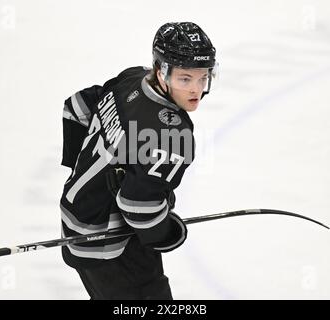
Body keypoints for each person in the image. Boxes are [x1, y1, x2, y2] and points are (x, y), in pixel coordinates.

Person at [60, 22, 218, 300]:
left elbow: (77, 106)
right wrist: (168, 233)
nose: (196, 89)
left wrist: (83, 170)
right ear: (162, 71)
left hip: (76, 213)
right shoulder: (172, 134)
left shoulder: (131, 79)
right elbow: (138, 207)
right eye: (185, 78)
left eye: (203, 77)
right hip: (111, 246)